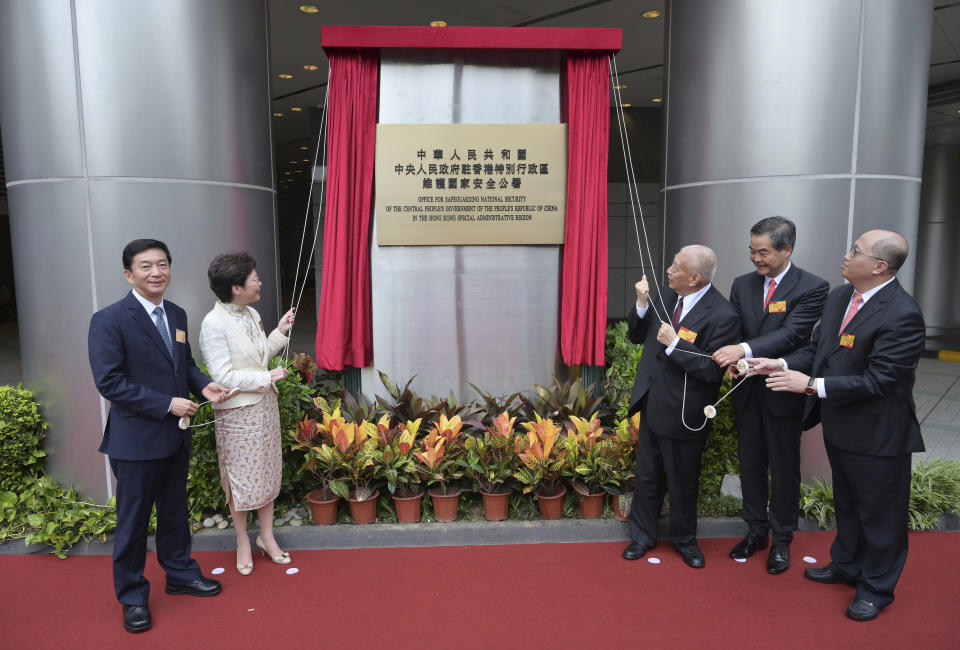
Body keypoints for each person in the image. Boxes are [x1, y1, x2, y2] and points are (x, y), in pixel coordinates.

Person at [753, 229, 925, 621]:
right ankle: (846, 564)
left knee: (881, 516)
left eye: (856, 251)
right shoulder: (841, 297)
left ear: (880, 266)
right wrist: (779, 364)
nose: (845, 256)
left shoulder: (903, 314)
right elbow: (819, 349)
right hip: (841, 426)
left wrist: (811, 385)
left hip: (879, 435)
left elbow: (881, 381)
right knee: (847, 504)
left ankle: (877, 588)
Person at [88, 239, 229, 634]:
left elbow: (184, 366)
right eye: (146, 266)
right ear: (128, 274)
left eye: (162, 264)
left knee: (173, 512)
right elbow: (110, 383)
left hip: (175, 437)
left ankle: (180, 573)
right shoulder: (109, 320)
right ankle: (132, 596)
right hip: (135, 441)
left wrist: (204, 387)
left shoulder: (177, 314)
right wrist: (168, 403)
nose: (156, 272)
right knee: (132, 522)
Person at [711, 217, 828, 574]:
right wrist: (733, 360)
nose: (755, 258)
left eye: (763, 252)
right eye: (751, 250)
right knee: (750, 465)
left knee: (783, 467)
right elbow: (731, 328)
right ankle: (755, 531)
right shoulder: (742, 284)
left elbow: (793, 335)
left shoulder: (812, 287)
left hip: (782, 391)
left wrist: (741, 350)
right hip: (747, 391)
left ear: (786, 249)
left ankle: (782, 539)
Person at [622, 245, 740, 568]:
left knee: (683, 479)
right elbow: (635, 335)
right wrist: (642, 304)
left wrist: (675, 343)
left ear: (695, 278)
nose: (669, 271)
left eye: (676, 267)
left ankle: (685, 540)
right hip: (653, 400)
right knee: (647, 476)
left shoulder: (722, 315)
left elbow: (711, 370)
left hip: (686, 412)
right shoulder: (666, 294)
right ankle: (642, 536)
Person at [198, 252, 296, 576]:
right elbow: (223, 375)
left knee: (267, 471)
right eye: (254, 278)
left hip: (265, 407)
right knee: (239, 480)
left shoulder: (251, 313)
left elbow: (259, 355)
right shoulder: (213, 324)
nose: (260, 282)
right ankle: (242, 539)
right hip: (236, 414)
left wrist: (280, 332)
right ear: (236, 288)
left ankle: (266, 537)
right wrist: (266, 378)